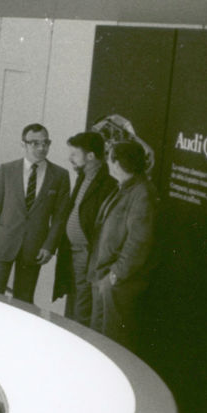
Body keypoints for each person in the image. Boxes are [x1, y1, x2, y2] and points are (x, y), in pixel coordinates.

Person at [0, 123, 72, 303]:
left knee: (24, 298)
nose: (41, 148)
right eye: (35, 143)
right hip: (3, 242)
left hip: (35, 246)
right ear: (24, 144)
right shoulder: (7, 170)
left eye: (45, 143)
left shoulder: (60, 176)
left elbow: (60, 218)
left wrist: (49, 247)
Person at [89, 141, 156, 347]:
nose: (107, 162)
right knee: (98, 339)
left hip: (117, 282)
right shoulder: (124, 188)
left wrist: (116, 274)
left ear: (117, 163)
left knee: (111, 342)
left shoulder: (141, 193)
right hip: (104, 277)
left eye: (109, 158)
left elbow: (139, 241)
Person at [53, 132, 118, 324]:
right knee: (75, 297)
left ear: (90, 156)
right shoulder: (84, 176)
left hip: (87, 253)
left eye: (74, 154)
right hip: (73, 251)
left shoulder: (107, 183)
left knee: (83, 302)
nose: (69, 158)